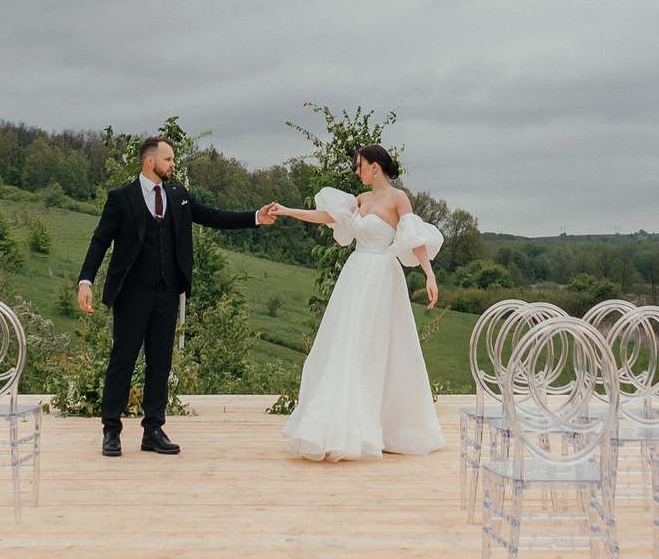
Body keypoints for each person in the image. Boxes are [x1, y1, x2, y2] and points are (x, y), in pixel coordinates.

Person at [76, 136, 277, 458]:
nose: (173, 165)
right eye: (168, 160)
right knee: (122, 361)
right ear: (150, 161)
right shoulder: (121, 198)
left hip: (167, 291)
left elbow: (211, 215)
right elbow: (100, 240)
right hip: (131, 293)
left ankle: (153, 430)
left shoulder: (178, 195)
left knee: (160, 363)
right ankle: (111, 430)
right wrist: (85, 281)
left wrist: (255, 216)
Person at [273, 145, 446, 462]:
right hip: (355, 276)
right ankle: (341, 425)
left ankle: (385, 426)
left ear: (375, 167)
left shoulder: (398, 199)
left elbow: (412, 238)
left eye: (360, 165)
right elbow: (326, 216)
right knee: (347, 346)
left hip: (382, 278)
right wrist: (287, 211)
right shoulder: (360, 201)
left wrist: (429, 275)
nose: (357, 171)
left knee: (381, 348)